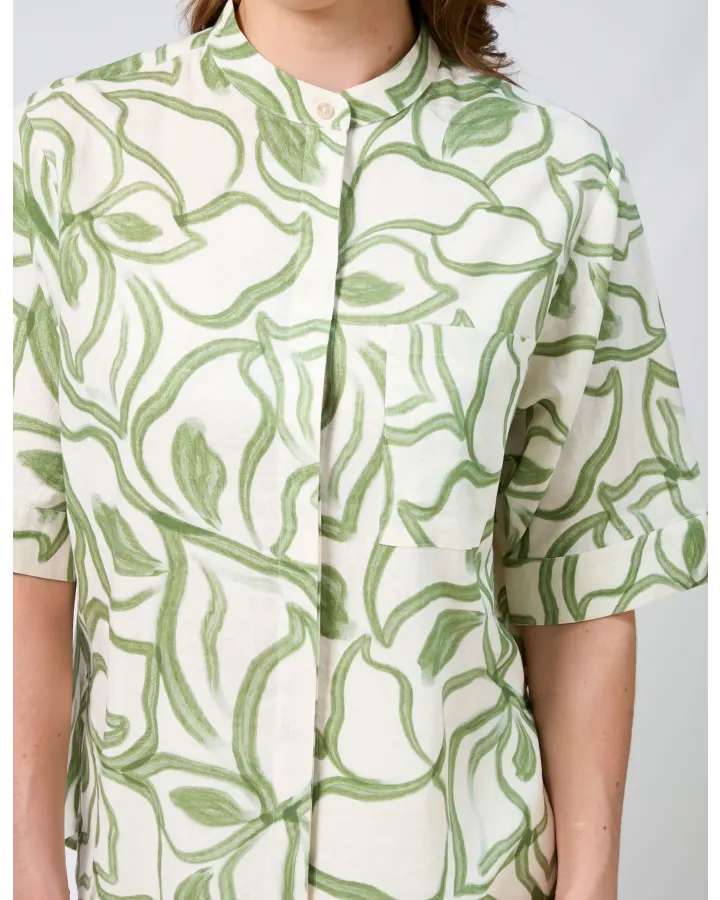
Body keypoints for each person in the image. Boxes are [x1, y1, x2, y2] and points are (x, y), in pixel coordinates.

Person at [9, 0, 708, 898]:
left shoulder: (558, 175)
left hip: (457, 865)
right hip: (159, 869)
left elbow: (581, 572)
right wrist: (31, 871)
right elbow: (31, 545)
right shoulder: (73, 146)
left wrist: (592, 882)